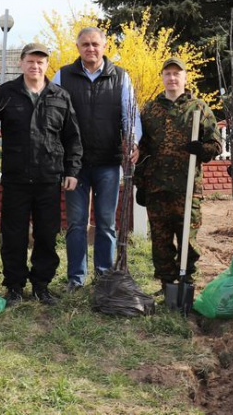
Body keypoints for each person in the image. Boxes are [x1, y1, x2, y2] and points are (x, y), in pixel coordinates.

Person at [0, 43, 82, 306]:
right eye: (31, 61)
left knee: (47, 234)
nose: (35, 66)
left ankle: (41, 285)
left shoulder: (60, 96)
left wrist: (72, 170)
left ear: (47, 65)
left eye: (41, 62)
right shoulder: (7, 93)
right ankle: (14, 286)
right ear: (22, 63)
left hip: (49, 177)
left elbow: (72, 137)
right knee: (13, 235)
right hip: (16, 177)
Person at [52, 27, 142, 291]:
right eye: (85, 45)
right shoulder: (63, 76)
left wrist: (132, 141)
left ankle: (103, 276)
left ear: (104, 46)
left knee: (105, 223)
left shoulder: (120, 77)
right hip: (75, 166)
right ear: (77, 47)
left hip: (108, 163)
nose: (90, 49)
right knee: (76, 224)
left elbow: (130, 114)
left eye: (95, 44)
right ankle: (76, 279)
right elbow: (54, 115)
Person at [134, 58, 221, 293]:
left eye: (177, 74)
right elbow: (141, 149)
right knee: (160, 240)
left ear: (185, 78)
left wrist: (201, 149)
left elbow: (215, 144)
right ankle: (166, 284)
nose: (172, 78)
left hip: (188, 187)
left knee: (187, 239)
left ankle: (186, 281)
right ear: (162, 77)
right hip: (157, 187)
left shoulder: (199, 108)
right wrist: (140, 183)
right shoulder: (150, 110)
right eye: (168, 74)